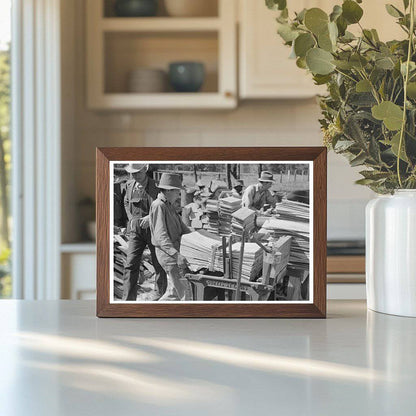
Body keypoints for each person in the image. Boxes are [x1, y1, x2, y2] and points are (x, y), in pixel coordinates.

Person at [122, 163, 167, 301]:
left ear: (144, 170)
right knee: (130, 264)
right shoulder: (129, 185)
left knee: (158, 263)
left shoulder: (157, 186)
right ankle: (128, 299)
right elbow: (126, 202)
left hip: (154, 229)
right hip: (136, 231)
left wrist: (150, 217)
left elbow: (165, 205)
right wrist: (131, 219)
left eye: (137, 172)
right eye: (132, 173)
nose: (134, 176)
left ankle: (159, 295)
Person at [149, 173, 191, 301]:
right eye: (177, 191)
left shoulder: (169, 205)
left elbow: (182, 227)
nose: (179, 195)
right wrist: (176, 255)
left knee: (175, 291)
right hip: (168, 254)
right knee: (181, 293)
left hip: (174, 251)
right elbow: (161, 236)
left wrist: (197, 238)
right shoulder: (159, 205)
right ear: (168, 190)